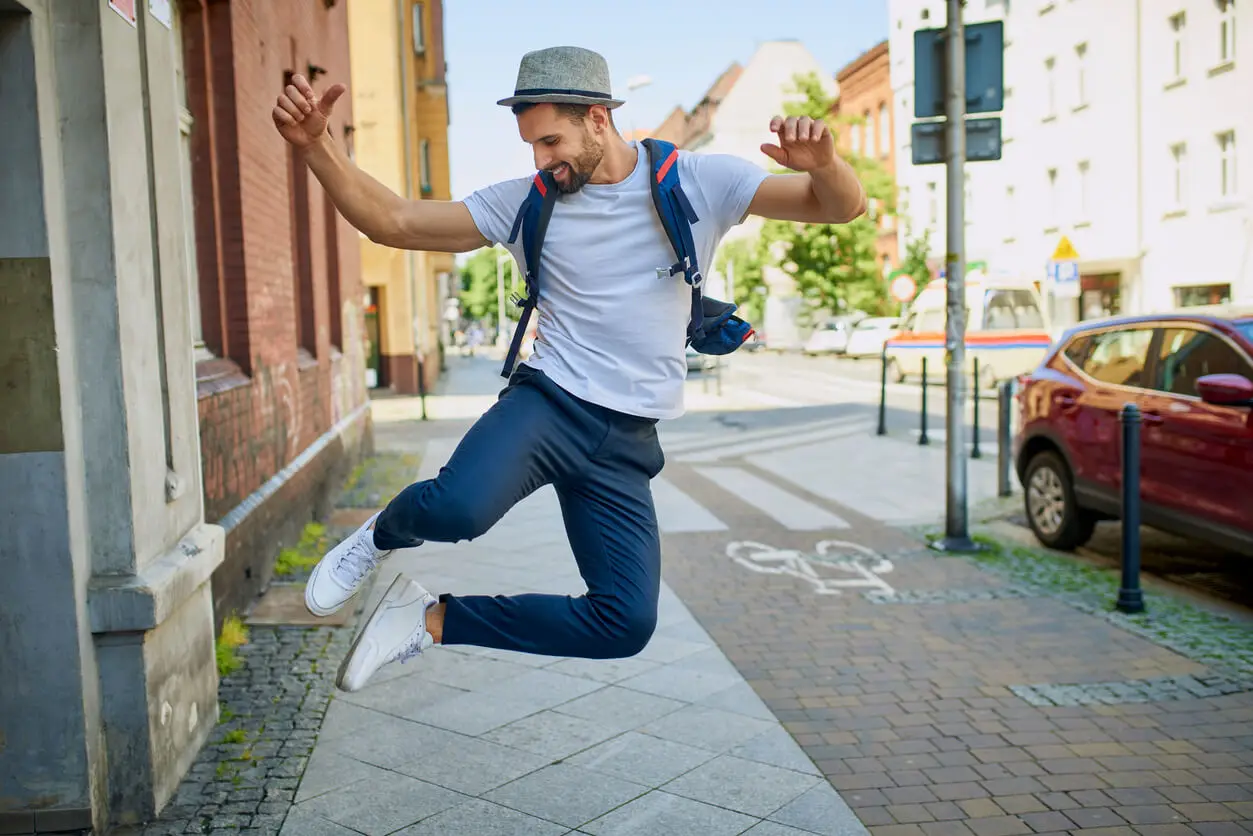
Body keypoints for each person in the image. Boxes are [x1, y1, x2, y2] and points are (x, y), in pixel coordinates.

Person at [271, 46, 866, 693]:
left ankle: (426, 618)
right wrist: (315, 149)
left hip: (627, 439)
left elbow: (838, 207)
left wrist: (826, 165)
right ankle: (380, 535)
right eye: (531, 144)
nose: (541, 159)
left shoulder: (695, 181)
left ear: (599, 119)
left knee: (624, 622)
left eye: (551, 140)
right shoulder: (528, 202)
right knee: (457, 510)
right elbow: (393, 221)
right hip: (548, 405)